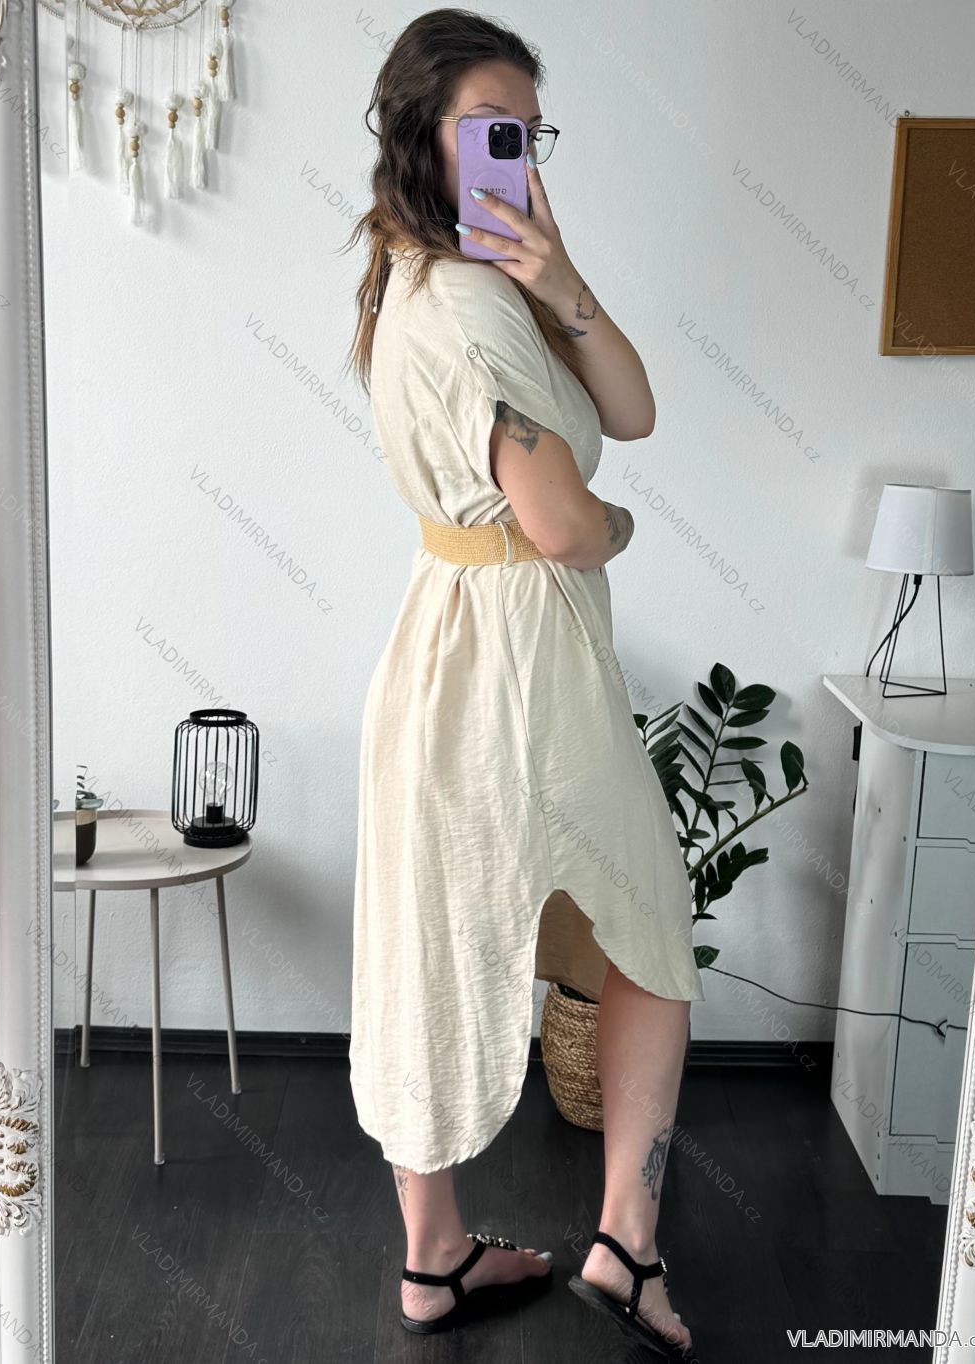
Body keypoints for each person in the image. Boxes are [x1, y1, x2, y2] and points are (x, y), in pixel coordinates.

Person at [343, 9, 702, 1357]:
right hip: (515, 665)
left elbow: (634, 408)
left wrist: (562, 278)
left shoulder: (424, 278)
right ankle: (627, 1245)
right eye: (492, 130)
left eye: (531, 135)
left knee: (432, 942)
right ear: (420, 133)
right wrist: (618, 530)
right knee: (646, 932)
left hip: (448, 649)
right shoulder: (466, 304)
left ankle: (433, 1259)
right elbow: (564, 522)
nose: (519, 157)